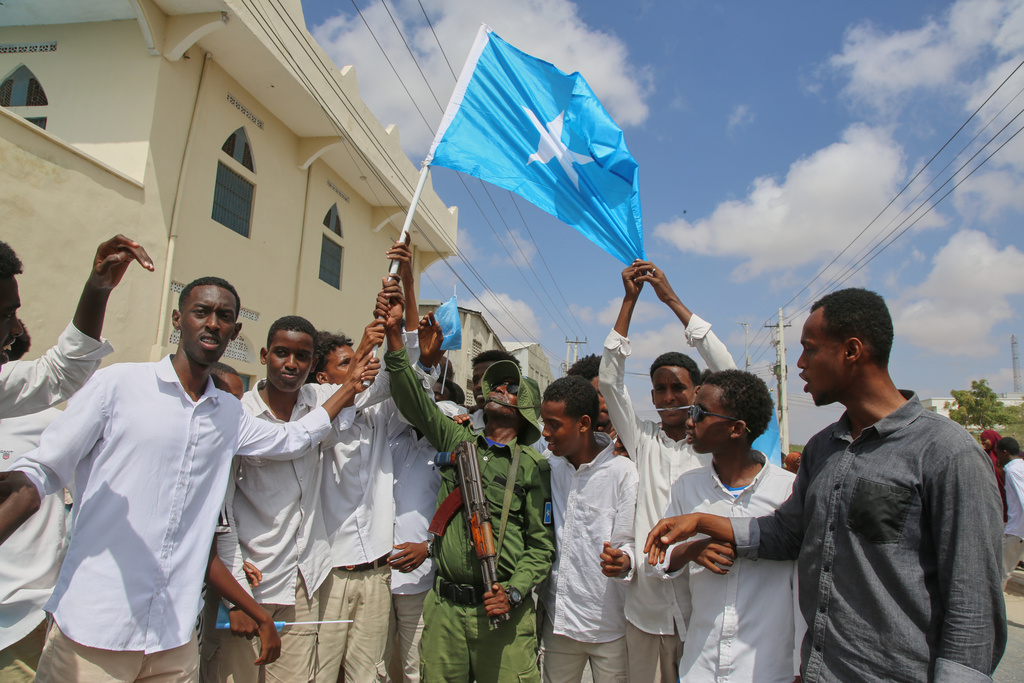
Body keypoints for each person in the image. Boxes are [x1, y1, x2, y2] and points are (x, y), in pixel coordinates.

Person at [0, 276, 379, 682]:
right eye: (202, 312)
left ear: (236, 332)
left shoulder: (228, 414)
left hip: (173, 640)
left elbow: (295, 438)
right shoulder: (119, 385)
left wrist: (351, 385)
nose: (213, 324)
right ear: (178, 319)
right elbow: (43, 470)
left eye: (225, 317)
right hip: (93, 632)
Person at [646, 288, 1006, 682]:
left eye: (810, 350)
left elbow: (972, 611)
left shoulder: (945, 453)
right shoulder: (823, 449)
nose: (798, 364)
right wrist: (702, 522)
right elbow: (787, 533)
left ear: (852, 351)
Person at [380, 281, 554, 683]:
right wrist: (395, 342)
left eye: (511, 388)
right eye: (495, 385)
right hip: (446, 611)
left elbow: (541, 548)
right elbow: (415, 404)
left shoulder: (532, 466)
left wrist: (513, 591)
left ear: (526, 408)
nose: (496, 390)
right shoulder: (460, 440)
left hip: (502, 613)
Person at [0, 236, 152, 681]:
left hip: (18, 617)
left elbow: (59, 372)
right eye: (7, 313)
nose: (14, 329)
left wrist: (98, 287)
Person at [203, 315, 385, 682]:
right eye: (282, 353)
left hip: (302, 583)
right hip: (250, 583)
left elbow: (367, 385)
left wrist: (383, 331)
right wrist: (235, 598)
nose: (291, 364)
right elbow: (221, 516)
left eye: (302, 356)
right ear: (264, 354)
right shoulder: (239, 415)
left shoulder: (317, 400)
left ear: (312, 366)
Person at [598, 259, 736, 683]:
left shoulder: (713, 447)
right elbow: (609, 380)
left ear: (697, 391)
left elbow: (728, 368)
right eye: (660, 388)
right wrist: (629, 302)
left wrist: (670, 299)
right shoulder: (643, 441)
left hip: (707, 608)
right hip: (649, 608)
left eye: (679, 387)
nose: (669, 395)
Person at [314, 242, 424, 683]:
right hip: (328, 577)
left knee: (368, 675)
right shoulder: (311, 412)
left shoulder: (378, 414)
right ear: (324, 378)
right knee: (319, 674)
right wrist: (364, 344)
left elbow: (409, 362)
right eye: (346, 363)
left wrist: (406, 289)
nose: (362, 365)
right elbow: (339, 407)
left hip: (377, 573)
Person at [653, 370, 801, 682]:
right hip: (701, 666)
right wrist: (691, 550)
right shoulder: (687, 488)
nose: (689, 421)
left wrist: (800, 667)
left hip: (766, 670)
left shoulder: (788, 491)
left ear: (736, 428)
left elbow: (802, 589)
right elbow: (659, 560)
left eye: (700, 413)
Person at [540, 375, 637, 683]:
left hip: (611, 627)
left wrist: (624, 561)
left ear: (583, 423)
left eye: (554, 424)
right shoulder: (548, 467)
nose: (545, 433)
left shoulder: (623, 473)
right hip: (560, 625)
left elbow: (631, 542)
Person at [566, 354, 626, 456]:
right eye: (602, 393)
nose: (609, 400)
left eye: (614, 393)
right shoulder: (560, 450)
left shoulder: (626, 446)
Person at [468, 349, 522, 431]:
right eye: (475, 381)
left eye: (488, 380)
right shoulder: (464, 423)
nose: (478, 386)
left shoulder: (537, 436)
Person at [997, 436, 1024, 587]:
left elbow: (1022, 497)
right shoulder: (1019, 467)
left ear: (1004, 452)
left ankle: (996, 609)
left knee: (1001, 572)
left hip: (1017, 530)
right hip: (1018, 529)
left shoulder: (1013, 471)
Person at [981, 429, 1007, 522]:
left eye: (985, 440)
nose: (983, 442)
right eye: (981, 440)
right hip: (992, 492)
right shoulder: (983, 455)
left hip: (1006, 491)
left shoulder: (1005, 454)